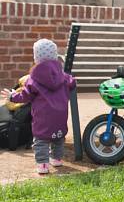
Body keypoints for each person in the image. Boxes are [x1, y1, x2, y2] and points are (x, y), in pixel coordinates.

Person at [1, 39, 75, 174]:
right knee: (58, 138)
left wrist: (12, 96)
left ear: (36, 58)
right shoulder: (63, 76)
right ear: (54, 56)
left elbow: (25, 95)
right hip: (60, 116)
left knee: (41, 140)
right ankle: (57, 159)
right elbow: (72, 82)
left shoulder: (33, 79)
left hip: (42, 117)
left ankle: (43, 165)